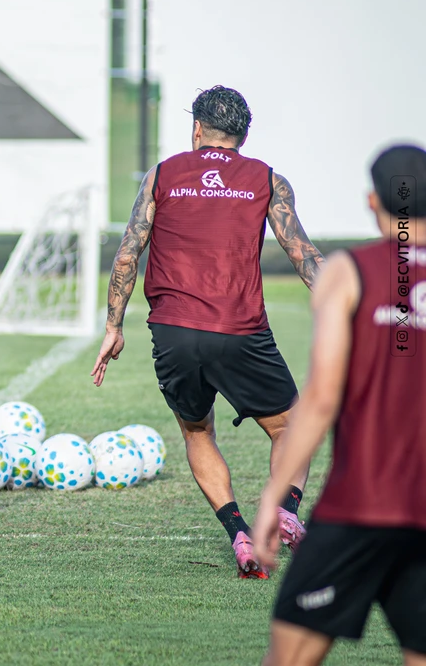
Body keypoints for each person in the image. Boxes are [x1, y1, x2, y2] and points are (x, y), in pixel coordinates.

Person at [91, 85, 324, 577]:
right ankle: (282, 510)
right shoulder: (267, 180)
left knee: (198, 430)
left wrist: (113, 326)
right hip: (240, 328)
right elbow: (302, 254)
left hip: (172, 330)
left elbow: (129, 251)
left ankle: (239, 533)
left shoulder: (162, 175)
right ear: (244, 135)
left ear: (196, 129)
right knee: (292, 426)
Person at [252, 145, 426, 666]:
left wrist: (273, 501)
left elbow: (323, 399)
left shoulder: (349, 272)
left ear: (373, 200)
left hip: (359, 507)